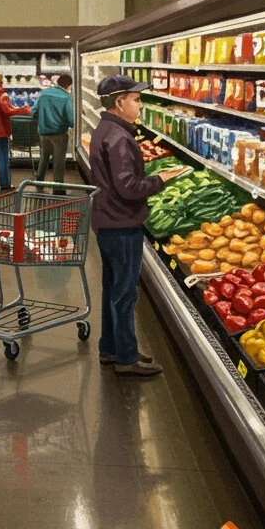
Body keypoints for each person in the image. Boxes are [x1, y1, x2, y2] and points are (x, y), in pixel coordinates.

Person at [90, 75, 187, 377]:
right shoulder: (119, 137)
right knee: (125, 293)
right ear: (120, 102)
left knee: (112, 289)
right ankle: (127, 358)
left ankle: (111, 348)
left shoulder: (105, 129)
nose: (140, 105)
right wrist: (162, 179)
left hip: (107, 220)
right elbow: (129, 187)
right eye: (136, 99)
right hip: (121, 223)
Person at [34, 74, 75, 189]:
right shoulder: (66, 97)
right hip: (59, 134)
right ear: (68, 85)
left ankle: (39, 182)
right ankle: (58, 188)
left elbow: (34, 111)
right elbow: (71, 119)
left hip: (43, 132)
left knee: (43, 158)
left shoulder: (44, 94)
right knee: (58, 162)